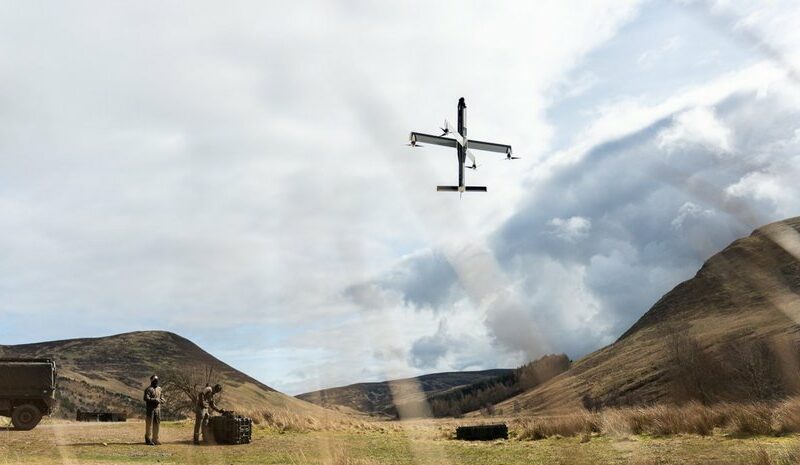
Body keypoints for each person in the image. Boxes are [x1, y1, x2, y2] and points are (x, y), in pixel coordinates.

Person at [143, 375, 164, 446]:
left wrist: (162, 400)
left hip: (157, 410)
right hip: (150, 410)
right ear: (151, 380)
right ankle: (148, 439)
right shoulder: (148, 389)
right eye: (155, 380)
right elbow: (146, 398)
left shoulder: (160, 389)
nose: (156, 381)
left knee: (157, 424)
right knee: (149, 425)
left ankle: (155, 439)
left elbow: (161, 397)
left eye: (157, 379)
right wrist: (154, 400)